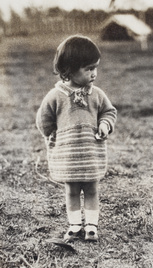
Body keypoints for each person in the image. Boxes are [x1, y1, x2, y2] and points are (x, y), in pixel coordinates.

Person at [36, 35, 117, 242]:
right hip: (69, 154)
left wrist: (105, 124)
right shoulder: (56, 96)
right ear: (69, 70)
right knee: (72, 190)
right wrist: (51, 135)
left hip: (90, 153)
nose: (94, 73)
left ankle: (91, 226)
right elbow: (43, 119)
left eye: (95, 67)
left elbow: (109, 111)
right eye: (88, 68)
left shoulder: (96, 94)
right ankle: (74, 225)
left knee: (91, 188)